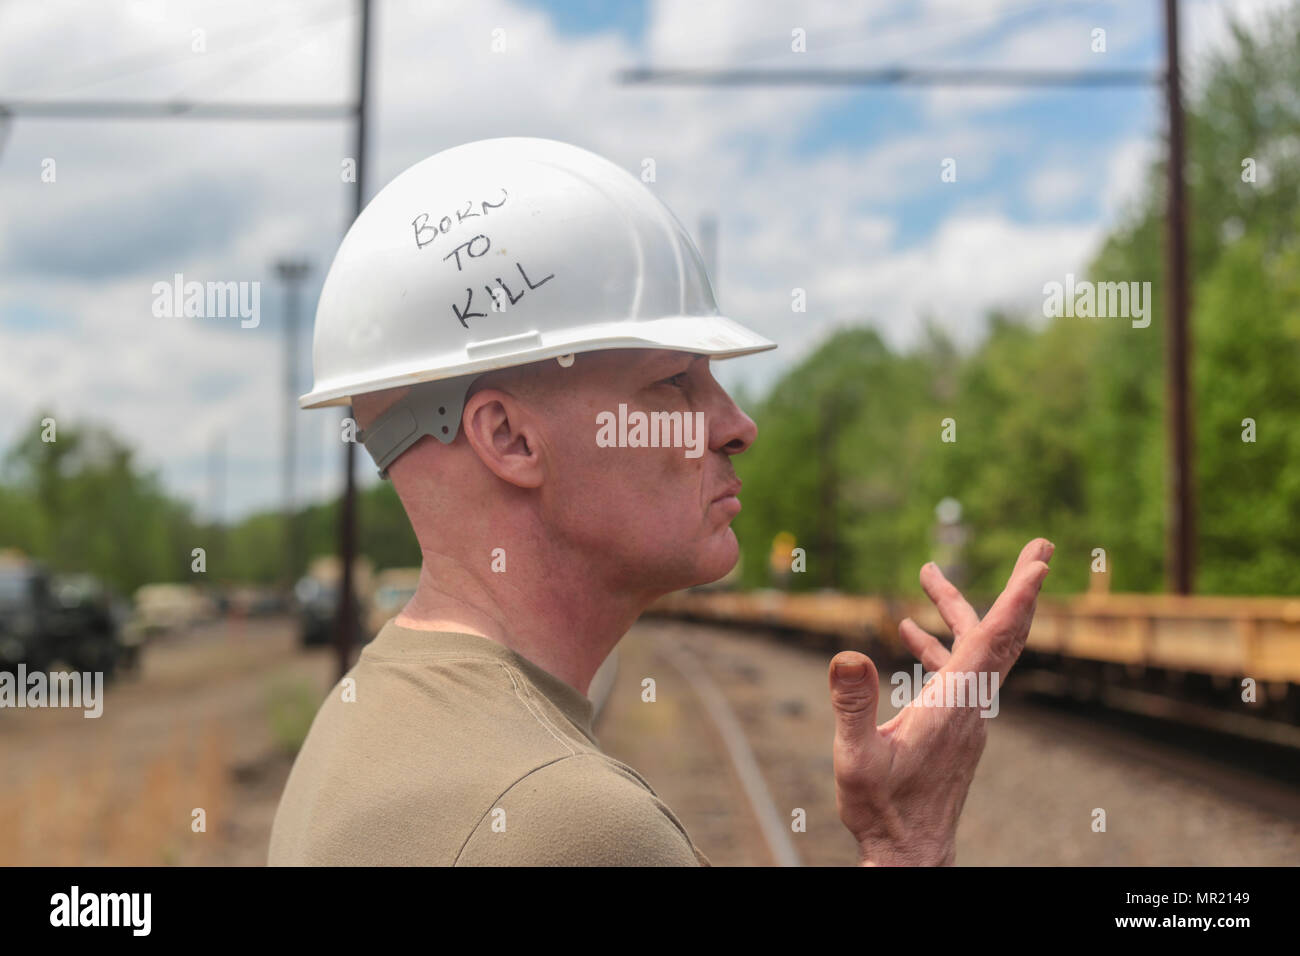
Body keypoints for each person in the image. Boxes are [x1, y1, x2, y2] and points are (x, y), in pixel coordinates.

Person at [267, 137, 1052, 866]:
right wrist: (913, 851)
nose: (737, 426)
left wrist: (897, 843)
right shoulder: (572, 828)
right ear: (508, 438)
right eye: (673, 382)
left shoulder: (364, 716)